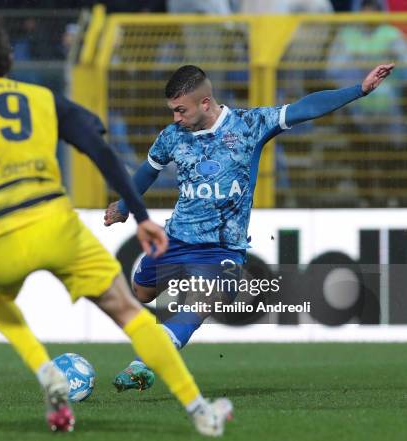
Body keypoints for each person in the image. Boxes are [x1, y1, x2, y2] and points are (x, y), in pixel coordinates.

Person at [0, 21, 233, 436]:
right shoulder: (39, 98)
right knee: (129, 313)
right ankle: (200, 412)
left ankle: (44, 368)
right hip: (54, 223)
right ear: (10, 59)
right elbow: (97, 145)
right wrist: (140, 216)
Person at [104, 63, 394, 391]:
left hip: (224, 248)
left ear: (204, 103)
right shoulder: (172, 137)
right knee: (142, 292)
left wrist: (359, 89)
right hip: (175, 239)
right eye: (172, 111)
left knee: (199, 304)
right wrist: (125, 206)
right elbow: (148, 171)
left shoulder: (249, 124)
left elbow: (305, 108)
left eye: (180, 110)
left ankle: (143, 364)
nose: (175, 118)